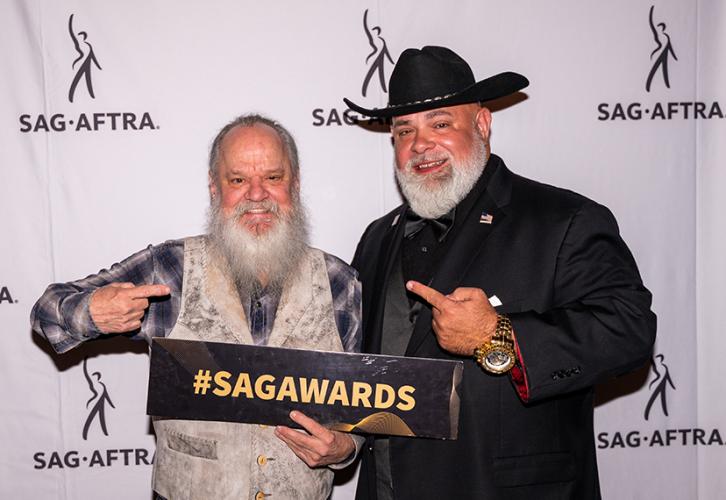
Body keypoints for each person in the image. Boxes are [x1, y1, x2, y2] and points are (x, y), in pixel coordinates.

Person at [344, 46, 657, 499]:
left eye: (441, 123)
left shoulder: (563, 219)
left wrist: (499, 336)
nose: (421, 144)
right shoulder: (378, 237)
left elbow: (629, 330)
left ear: (483, 124)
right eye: (404, 130)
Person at [31, 114, 363, 500]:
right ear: (214, 188)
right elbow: (46, 312)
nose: (257, 194)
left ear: (296, 183)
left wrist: (344, 449)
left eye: (273, 177)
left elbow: (354, 412)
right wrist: (90, 311)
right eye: (237, 180)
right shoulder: (171, 268)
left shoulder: (340, 281)